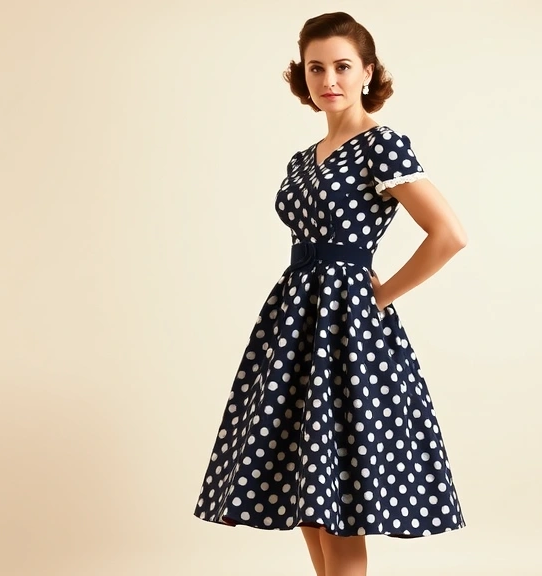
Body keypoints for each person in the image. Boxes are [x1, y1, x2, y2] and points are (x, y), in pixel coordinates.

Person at [192, 11, 468, 576]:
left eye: (343, 66)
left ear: (367, 72)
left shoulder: (381, 146)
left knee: (336, 497)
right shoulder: (301, 160)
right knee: (304, 493)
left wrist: (383, 295)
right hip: (293, 322)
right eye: (316, 68)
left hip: (345, 328)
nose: (329, 80)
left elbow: (449, 235)